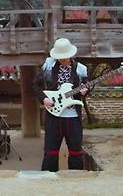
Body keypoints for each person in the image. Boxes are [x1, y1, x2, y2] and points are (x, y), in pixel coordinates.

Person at [33, 38, 89, 171]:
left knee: (76, 150)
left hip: (73, 116)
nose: (62, 59)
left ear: (71, 55)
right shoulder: (48, 66)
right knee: (50, 151)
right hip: (54, 114)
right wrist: (44, 99)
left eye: (64, 57)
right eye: (59, 57)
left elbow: (87, 86)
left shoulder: (80, 69)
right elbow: (35, 85)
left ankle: (75, 177)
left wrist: (85, 90)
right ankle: (48, 177)